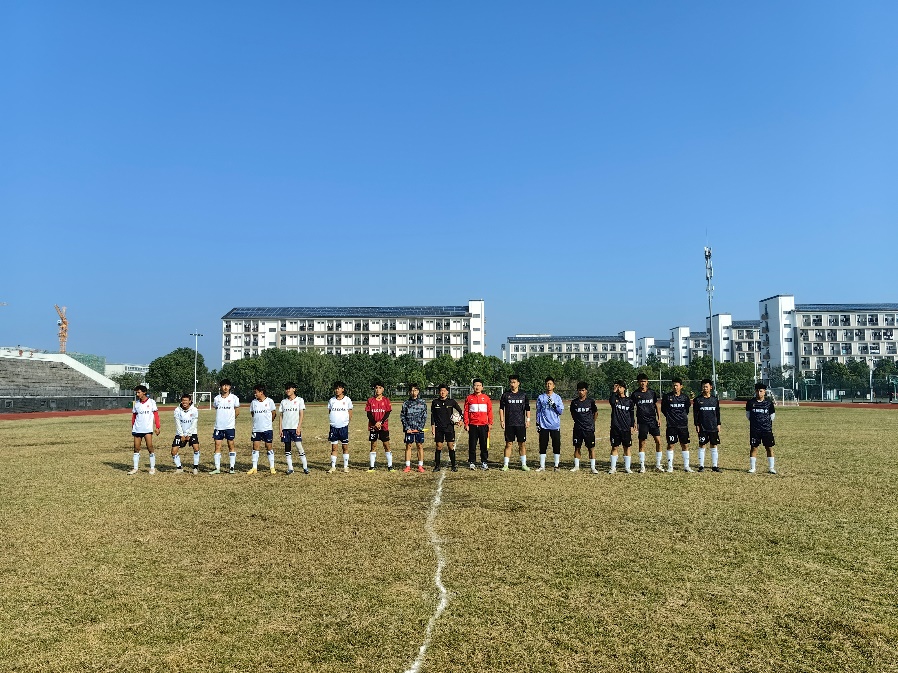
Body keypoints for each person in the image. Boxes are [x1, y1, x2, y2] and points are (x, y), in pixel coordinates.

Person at [631, 373, 662, 473]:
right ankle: (642, 466)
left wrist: (659, 418)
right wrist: (634, 422)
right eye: (641, 381)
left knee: (659, 442)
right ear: (638, 382)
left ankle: (658, 464)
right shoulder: (635, 394)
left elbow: (656, 405)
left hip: (653, 421)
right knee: (642, 443)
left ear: (647, 382)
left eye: (644, 381)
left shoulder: (652, 393)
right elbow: (631, 409)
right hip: (642, 422)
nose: (643, 383)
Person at [499, 374, 531, 471]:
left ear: (518, 383)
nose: (512, 384)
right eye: (511, 382)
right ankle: (505, 465)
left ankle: (524, 464)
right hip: (509, 423)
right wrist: (502, 420)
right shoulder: (505, 395)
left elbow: (527, 408)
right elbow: (501, 408)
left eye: (514, 382)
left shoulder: (523, 395)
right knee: (509, 444)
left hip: (521, 424)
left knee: (522, 444)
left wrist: (528, 420)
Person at [660, 377, 693, 472]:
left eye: (677, 385)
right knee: (671, 444)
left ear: (681, 386)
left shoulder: (685, 397)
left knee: (685, 445)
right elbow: (663, 409)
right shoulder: (667, 397)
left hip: (683, 425)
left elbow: (686, 409)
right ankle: (670, 466)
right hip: (671, 425)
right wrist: (670, 417)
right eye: (673, 385)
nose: (675, 387)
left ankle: (686, 466)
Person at [430, 384, 463, 471]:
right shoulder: (435, 402)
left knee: (450, 446)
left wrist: (460, 420)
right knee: (438, 446)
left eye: (444, 391)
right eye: (441, 391)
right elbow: (432, 415)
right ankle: (437, 466)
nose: (442, 392)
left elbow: (460, 411)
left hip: (449, 427)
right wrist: (432, 426)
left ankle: (453, 465)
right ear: (439, 392)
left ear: (447, 392)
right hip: (439, 428)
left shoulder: (451, 402)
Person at [746, 382, 777, 474]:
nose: (759, 393)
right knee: (754, 448)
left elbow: (772, 416)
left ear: (764, 392)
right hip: (755, 430)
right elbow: (748, 416)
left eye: (761, 391)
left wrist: (765, 423)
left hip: (766, 430)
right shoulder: (751, 403)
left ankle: (771, 468)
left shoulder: (768, 403)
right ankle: (753, 468)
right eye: (757, 391)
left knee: (769, 448)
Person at [129, 385, 160, 474]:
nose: (137, 394)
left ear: (144, 392)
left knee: (150, 447)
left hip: (147, 429)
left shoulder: (151, 402)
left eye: (139, 392)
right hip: (137, 429)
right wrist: (133, 427)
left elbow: (156, 415)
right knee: (136, 448)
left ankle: (152, 468)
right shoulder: (136, 403)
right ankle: (135, 468)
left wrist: (157, 427)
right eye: (136, 392)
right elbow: (134, 416)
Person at [211, 379, 240, 474]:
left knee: (230, 445)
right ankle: (217, 468)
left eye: (227, 385)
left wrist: (230, 420)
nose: (225, 387)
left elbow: (237, 411)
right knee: (217, 445)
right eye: (223, 385)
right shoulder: (216, 399)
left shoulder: (234, 398)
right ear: (220, 387)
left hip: (229, 426)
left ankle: (231, 467)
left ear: (230, 387)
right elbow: (216, 408)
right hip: (218, 427)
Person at [535, 377, 564, 472]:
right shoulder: (541, 397)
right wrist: (537, 423)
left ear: (554, 385)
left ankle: (556, 465)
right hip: (544, 425)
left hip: (555, 425)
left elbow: (560, 412)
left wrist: (554, 405)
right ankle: (542, 466)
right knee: (543, 445)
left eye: (550, 384)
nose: (548, 385)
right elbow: (538, 411)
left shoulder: (557, 397)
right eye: (547, 383)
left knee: (556, 445)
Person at [463, 378, 493, 470]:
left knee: (483, 445)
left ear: (482, 387)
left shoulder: (486, 398)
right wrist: (466, 423)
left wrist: (490, 423)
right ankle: (472, 462)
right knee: (472, 444)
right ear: (473, 387)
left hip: (483, 425)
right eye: (475, 385)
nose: (477, 387)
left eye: (479, 385)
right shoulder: (469, 398)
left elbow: (490, 411)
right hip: (472, 425)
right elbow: (466, 411)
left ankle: (484, 462)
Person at [693, 378, 722, 473]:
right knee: (702, 445)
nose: (705, 388)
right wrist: (697, 424)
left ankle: (714, 466)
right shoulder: (698, 400)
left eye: (706, 386)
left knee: (714, 445)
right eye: (703, 386)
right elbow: (695, 414)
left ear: (711, 387)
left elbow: (717, 413)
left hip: (713, 426)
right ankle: (701, 465)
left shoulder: (714, 400)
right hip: (703, 427)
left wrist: (718, 424)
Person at [569, 381, 599, 473]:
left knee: (591, 448)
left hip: (588, 429)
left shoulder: (591, 402)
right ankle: (576, 466)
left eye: (583, 390)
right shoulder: (574, 402)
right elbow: (573, 414)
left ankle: (593, 467)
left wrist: (591, 422)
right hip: (578, 429)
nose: (581, 392)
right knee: (577, 447)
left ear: (586, 391)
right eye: (579, 390)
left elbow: (595, 413)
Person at [247, 384, 277, 474]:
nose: (255, 394)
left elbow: (274, 413)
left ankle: (272, 467)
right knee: (255, 447)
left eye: (256, 392)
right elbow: (253, 414)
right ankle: (254, 467)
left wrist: (268, 422)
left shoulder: (270, 401)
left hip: (267, 429)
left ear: (261, 392)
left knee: (269, 447)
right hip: (256, 429)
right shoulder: (253, 402)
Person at [365, 381, 394, 472]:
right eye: (376, 387)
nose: (378, 389)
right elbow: (369, 414)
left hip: (383, 426)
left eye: (380, 388)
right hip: (373, 426)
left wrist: (380, 422)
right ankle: (372, 466)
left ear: (383, 389)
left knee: (386, 445)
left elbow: (387, 413)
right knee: (373, 445)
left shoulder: (386, 400)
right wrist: (375, 423)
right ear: (374, 389)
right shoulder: (370, 400)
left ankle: (390, 466)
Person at [279, 382, 308, 475]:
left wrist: (299, 427)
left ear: (294, 389)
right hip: (286, 428)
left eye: (289, 388)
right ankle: (290, 468)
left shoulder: (299, 400)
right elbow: (281, 416)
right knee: (287, 448)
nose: (287, 390)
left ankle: (305, 467)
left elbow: (301, 414)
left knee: (299, 446)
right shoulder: (283, 402)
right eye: (286, 389)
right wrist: (280, 429)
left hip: (295, 428)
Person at [608, 379, 636, 474]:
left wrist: (632, 425)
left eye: (620, 387)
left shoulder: (629, 401)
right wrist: (614, 391)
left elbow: (631, 414)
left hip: (626, 428)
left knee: (627, 447)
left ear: (624, 388)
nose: (619, 389)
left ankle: (627, 467)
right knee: (614, 447)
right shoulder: (615, 399)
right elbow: (611, 401)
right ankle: (613, 468)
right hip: (616, 427)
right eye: (617, 387)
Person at [401, 384, 428, 473]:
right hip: (409, 429)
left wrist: (420, 428)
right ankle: (407, 466)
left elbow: (424, 416)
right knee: (408, 446)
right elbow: (403, 416)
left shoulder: (422, 403)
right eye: (412, 390)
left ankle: (420, 465)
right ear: (409, 392)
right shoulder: (406, 403)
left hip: (418, 429)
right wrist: (407, 428)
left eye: (415, 390)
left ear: (418, 391)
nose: (414, 392)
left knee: (419, 445)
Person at [327, 381, 353, 473]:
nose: (337, 390)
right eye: (335, 388)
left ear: (343, 389)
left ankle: (346, 466)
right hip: (334, 427)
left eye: (338, 388)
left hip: (343, 427)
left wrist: (346, 422)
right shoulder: (332, 400)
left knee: (345, 447)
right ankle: (333, 466)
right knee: (334, 447)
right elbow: (330, 412)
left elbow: (350, 413)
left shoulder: (347, 400)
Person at [172, 393, 200, 474]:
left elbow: (194, 423)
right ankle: (179, 468)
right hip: (180, 433)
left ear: (190, 401)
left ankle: (195, 467)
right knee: (174, 451)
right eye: (183, 400)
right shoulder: (177, 410)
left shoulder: (194, 410)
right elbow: (177, 423)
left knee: (196, 448)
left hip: (192, 432)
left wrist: (189, 434)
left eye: (186, 400)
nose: (184, 402)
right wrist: (181, 435)